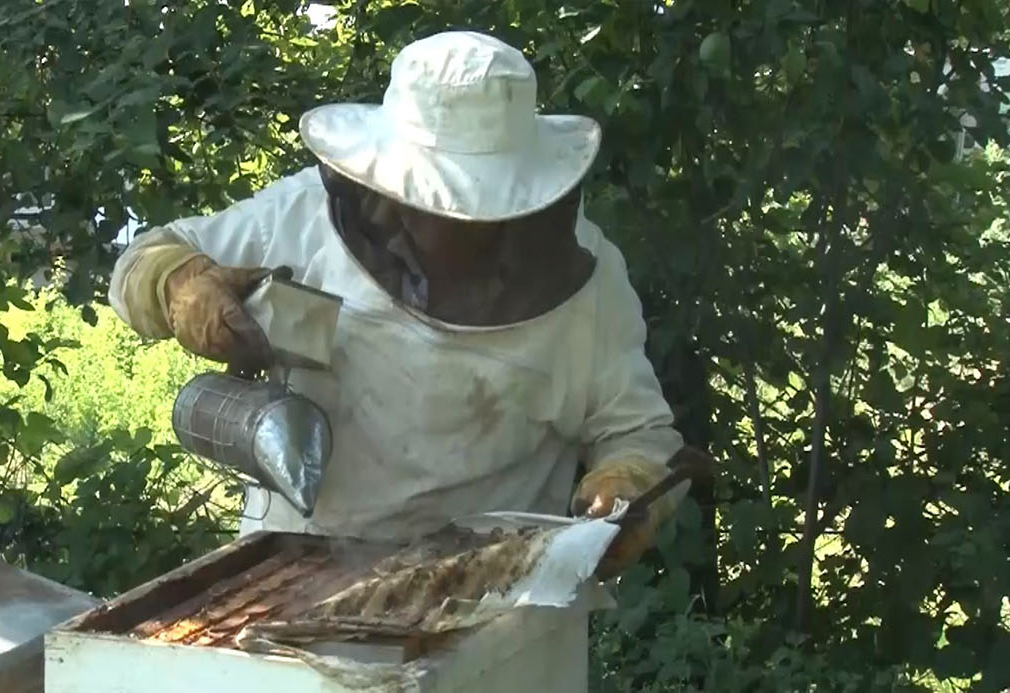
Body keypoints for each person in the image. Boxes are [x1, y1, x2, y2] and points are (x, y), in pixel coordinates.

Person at [109, 30, 689, 578]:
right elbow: (139, 261)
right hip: (291, 574)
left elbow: (638, 431)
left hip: (491, 602)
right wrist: (179, 283)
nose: (443, 218)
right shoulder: (304, 216)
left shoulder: (587, 279)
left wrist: (628, 485)